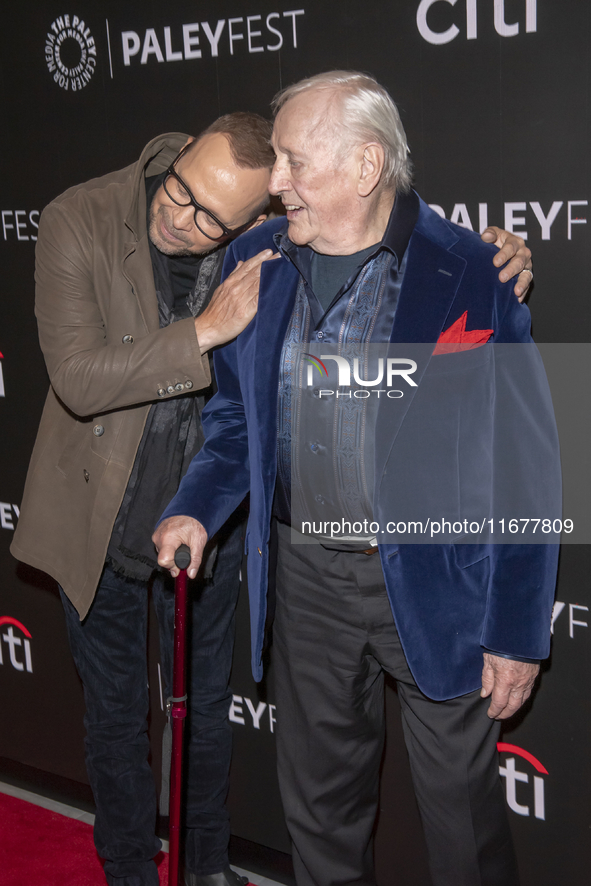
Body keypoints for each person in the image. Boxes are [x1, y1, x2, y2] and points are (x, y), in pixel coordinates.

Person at [153, 72, 557, 886]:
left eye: (294, 162)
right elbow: (235, 423)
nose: (275, 183)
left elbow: (524, 461)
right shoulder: (253, 260)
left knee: (463, 820)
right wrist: (196, 507)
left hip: (439, 576)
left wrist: (516, 629)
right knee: (321, 814)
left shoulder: (471, 270)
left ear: (365, 167)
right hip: (306, 580)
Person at [10, 113, 278, 886]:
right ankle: (127, 871)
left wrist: (492, 251)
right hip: (97, 522)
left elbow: (367, 223)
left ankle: (202, 869)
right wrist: (203, 330)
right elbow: (81, 379)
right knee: (118, 722)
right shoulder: (78, 216)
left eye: (210, 219)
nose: (179, 216)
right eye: (180, 187)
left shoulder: (264, 239)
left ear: (258, 218)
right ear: (183, 147)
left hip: (205, 524)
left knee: (200, 723)